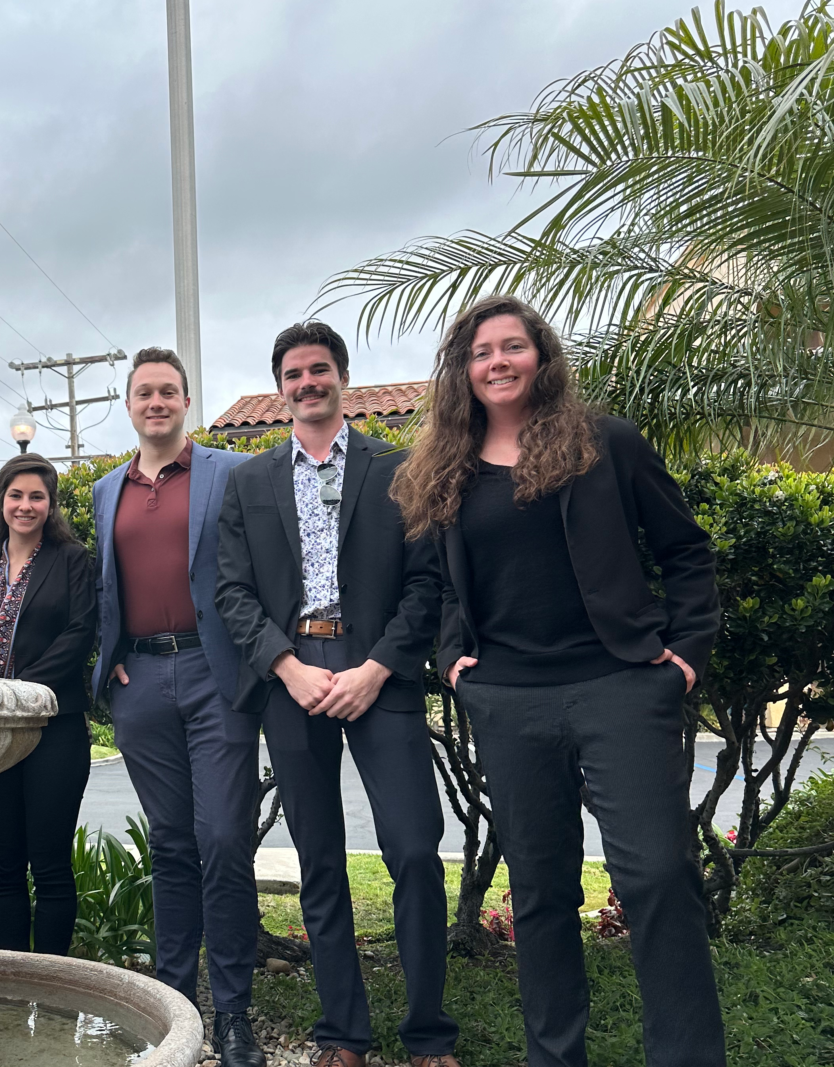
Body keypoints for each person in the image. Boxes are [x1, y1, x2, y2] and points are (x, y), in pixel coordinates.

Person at [397, 295, 723, 1067]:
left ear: (541, 357)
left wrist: (684, 654)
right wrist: (455, 657)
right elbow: (443, 583)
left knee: (657, 875)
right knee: (541, 891)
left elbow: (686, 550)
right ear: (463, 371)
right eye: (482, 352)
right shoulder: (447, 469)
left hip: (619, 683)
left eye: (513, 346)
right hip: (508, 698)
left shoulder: (606, 443)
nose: (498, 361)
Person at [216, 321, 460, 1067]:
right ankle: (343, 1031)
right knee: (320, 858)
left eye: (319, 369)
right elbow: (232, 591)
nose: (307, 382)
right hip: (294, 677)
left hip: (375, 674)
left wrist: (378, 667)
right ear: (281, 386)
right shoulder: (249, 482)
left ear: (341, 379)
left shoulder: (398, 467)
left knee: (416, 850)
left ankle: (428, 1034)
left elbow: (427, 584)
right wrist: (286, 666)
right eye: (294, 373)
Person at [90, 348, 262, 1067]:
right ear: (128, 405)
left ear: (186, 401)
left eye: (168, 391)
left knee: (222, 836)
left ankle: (233, 1012)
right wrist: (110, 659)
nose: (155, 401)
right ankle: (173, 1003)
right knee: (170, 843)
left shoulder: (228, 471)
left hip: (213, 669)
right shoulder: (107, 489)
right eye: (143, 392)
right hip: (142, 681)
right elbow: (98, 585)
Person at [0, 454, 97, 956]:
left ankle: (51, 982)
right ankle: (8, 988)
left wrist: (24, 691)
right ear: (1, 501)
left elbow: (80, 632)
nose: (25, 505)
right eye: (16, 495)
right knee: (4, 864)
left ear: (50, 504)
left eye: (37, 496)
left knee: (50, 862)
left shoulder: (71, 559)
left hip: (53, 725)